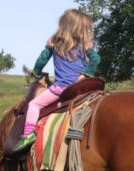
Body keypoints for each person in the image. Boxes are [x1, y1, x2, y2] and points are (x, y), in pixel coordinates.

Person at [13, 9, 101, 152]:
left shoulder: (53, 42)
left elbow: (41, 61)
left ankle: (28, 135)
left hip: (62, 89)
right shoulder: (84, 45)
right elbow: (96, 59)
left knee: (34, 104)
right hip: (83, 86)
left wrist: (36, 72)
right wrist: (85, 74)